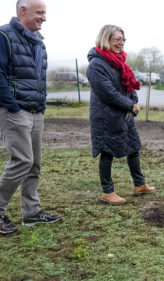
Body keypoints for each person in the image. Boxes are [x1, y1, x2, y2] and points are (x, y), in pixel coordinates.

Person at [0, 0, 62, 235]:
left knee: (34, 163)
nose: (44, 17)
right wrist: (12, 106)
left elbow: (37, 79)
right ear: (23, 11)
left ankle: (32, 213)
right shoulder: (4, 36)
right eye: (40, 12)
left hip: (35, 111)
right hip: (15, 110)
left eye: (44, 13)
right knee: (22, 160)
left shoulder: (38, 43)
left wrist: (41, 106)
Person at [87, 25, 155, 205]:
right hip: (105, 116)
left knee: (133, 147)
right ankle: (107, 192)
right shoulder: (96, 65)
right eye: (117, 39)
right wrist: (130, 105)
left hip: (123, 113)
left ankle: (139, 184)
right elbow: (107, 93)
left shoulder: (120, 62)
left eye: (122, 40)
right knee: (107, 150)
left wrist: (133, 101)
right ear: (105, 39)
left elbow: (129, 85)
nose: (121, 43)